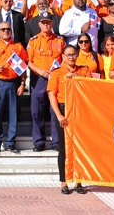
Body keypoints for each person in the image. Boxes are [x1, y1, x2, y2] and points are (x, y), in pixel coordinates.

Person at [48, 45, 88, 195]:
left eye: (74, 54)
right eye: (68, 55)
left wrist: (78, 80)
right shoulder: (57, 73)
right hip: (63, 109)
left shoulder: (84, 71)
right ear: (63, 57)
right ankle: (64, 181)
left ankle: (78, 181)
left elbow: (91, 88)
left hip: (79, 110)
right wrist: (59, 115)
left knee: (79, 147)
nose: (71, 57)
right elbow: (52, 95)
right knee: (64, 148)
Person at [0, 20, 27, 153]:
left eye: (8, 29)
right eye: (3, 29)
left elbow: (23, 68)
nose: (6, 31)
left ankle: (10, 142)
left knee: (13, 114)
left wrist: (22, 84)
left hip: (14, 83)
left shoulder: (18, 47)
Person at [26, 12, 64, 152]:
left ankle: (56, 142)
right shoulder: (33, 41)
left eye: (48, 22)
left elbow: (64, 59)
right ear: (39, 24)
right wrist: (40, 71)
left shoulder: (60, 40)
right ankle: (38, 141)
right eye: (44, 23)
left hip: (55, 79)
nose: (46, 25)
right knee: (37, 111)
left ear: (52, 24)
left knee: (55, 110)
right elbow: (28, 61)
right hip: (39, 79)